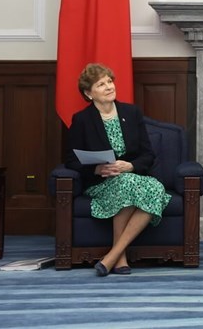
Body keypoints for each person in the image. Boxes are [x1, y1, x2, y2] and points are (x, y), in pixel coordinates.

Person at [64, 63, 171, 277]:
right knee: (129, 185)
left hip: (131, 176)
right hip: (102, 183)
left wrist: (130, 165)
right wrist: (97, 170)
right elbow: (70, 159)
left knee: (155, 187)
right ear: (88, 93)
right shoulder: (82, 120)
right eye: (101, 84)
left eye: (110, 81)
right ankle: (118, 257)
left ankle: (113, 255)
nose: (108, 87)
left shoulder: (131, 113)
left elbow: (148, 154)